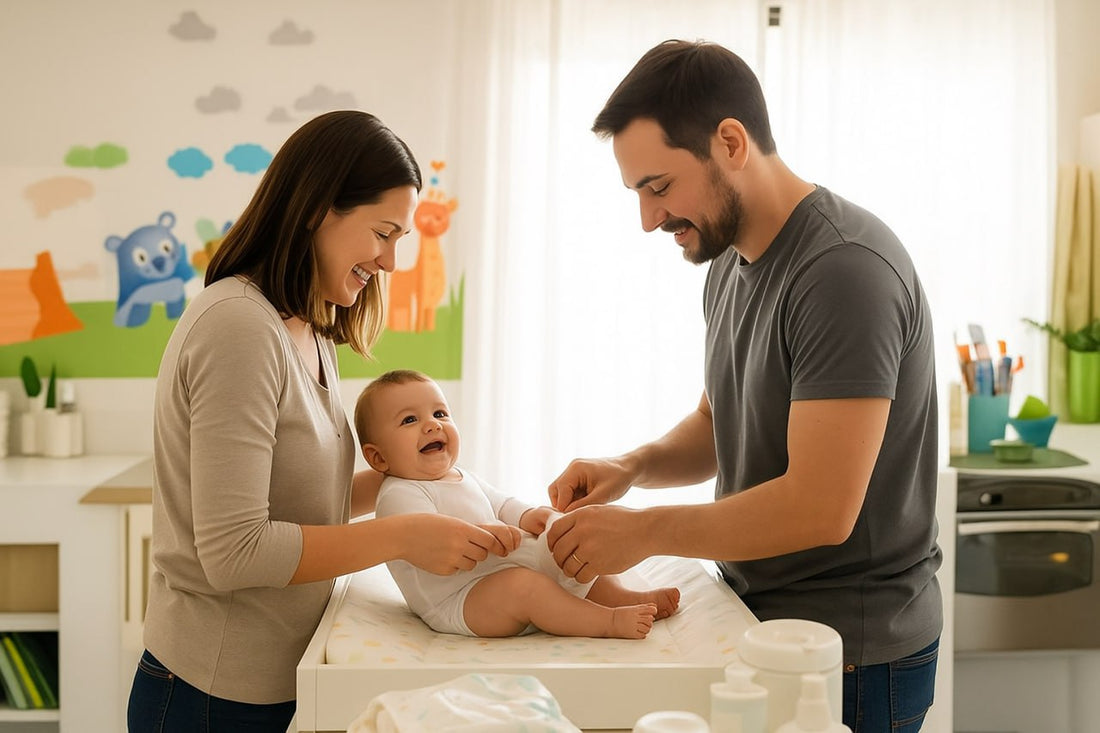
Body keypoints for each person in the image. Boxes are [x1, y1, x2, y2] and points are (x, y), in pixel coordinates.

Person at [544, 40, 941, 732]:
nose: (647, 219)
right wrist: (631, 467)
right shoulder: (729, 265)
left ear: (730, 142)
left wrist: (646, 531)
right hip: (764, 623)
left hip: (850, 655)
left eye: (658, 187)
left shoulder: (844, 271)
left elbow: (822, 507)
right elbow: (717, 421)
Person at [127, 111, 518, 733]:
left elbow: (306, 500)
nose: (391, 261)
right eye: (383, 233)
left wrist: (438, 489)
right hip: (213, 692)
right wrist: (406, 533)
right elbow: (234, 551)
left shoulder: (308, 329)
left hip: (281, 676)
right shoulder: (238, 328)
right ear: (318, 210)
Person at [356, 369, 680, 639]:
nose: (432, 424)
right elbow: (429, 538)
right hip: (460, 599)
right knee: (524, 588)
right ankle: (605, 623)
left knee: (575, 543)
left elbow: (501, 503)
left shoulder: (461, 476)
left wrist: (528, 515)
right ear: (378, 456)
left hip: (500, 569)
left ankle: (622, 599)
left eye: (440, 413)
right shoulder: (399, 494)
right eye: (409, 420)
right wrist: (486, 533)